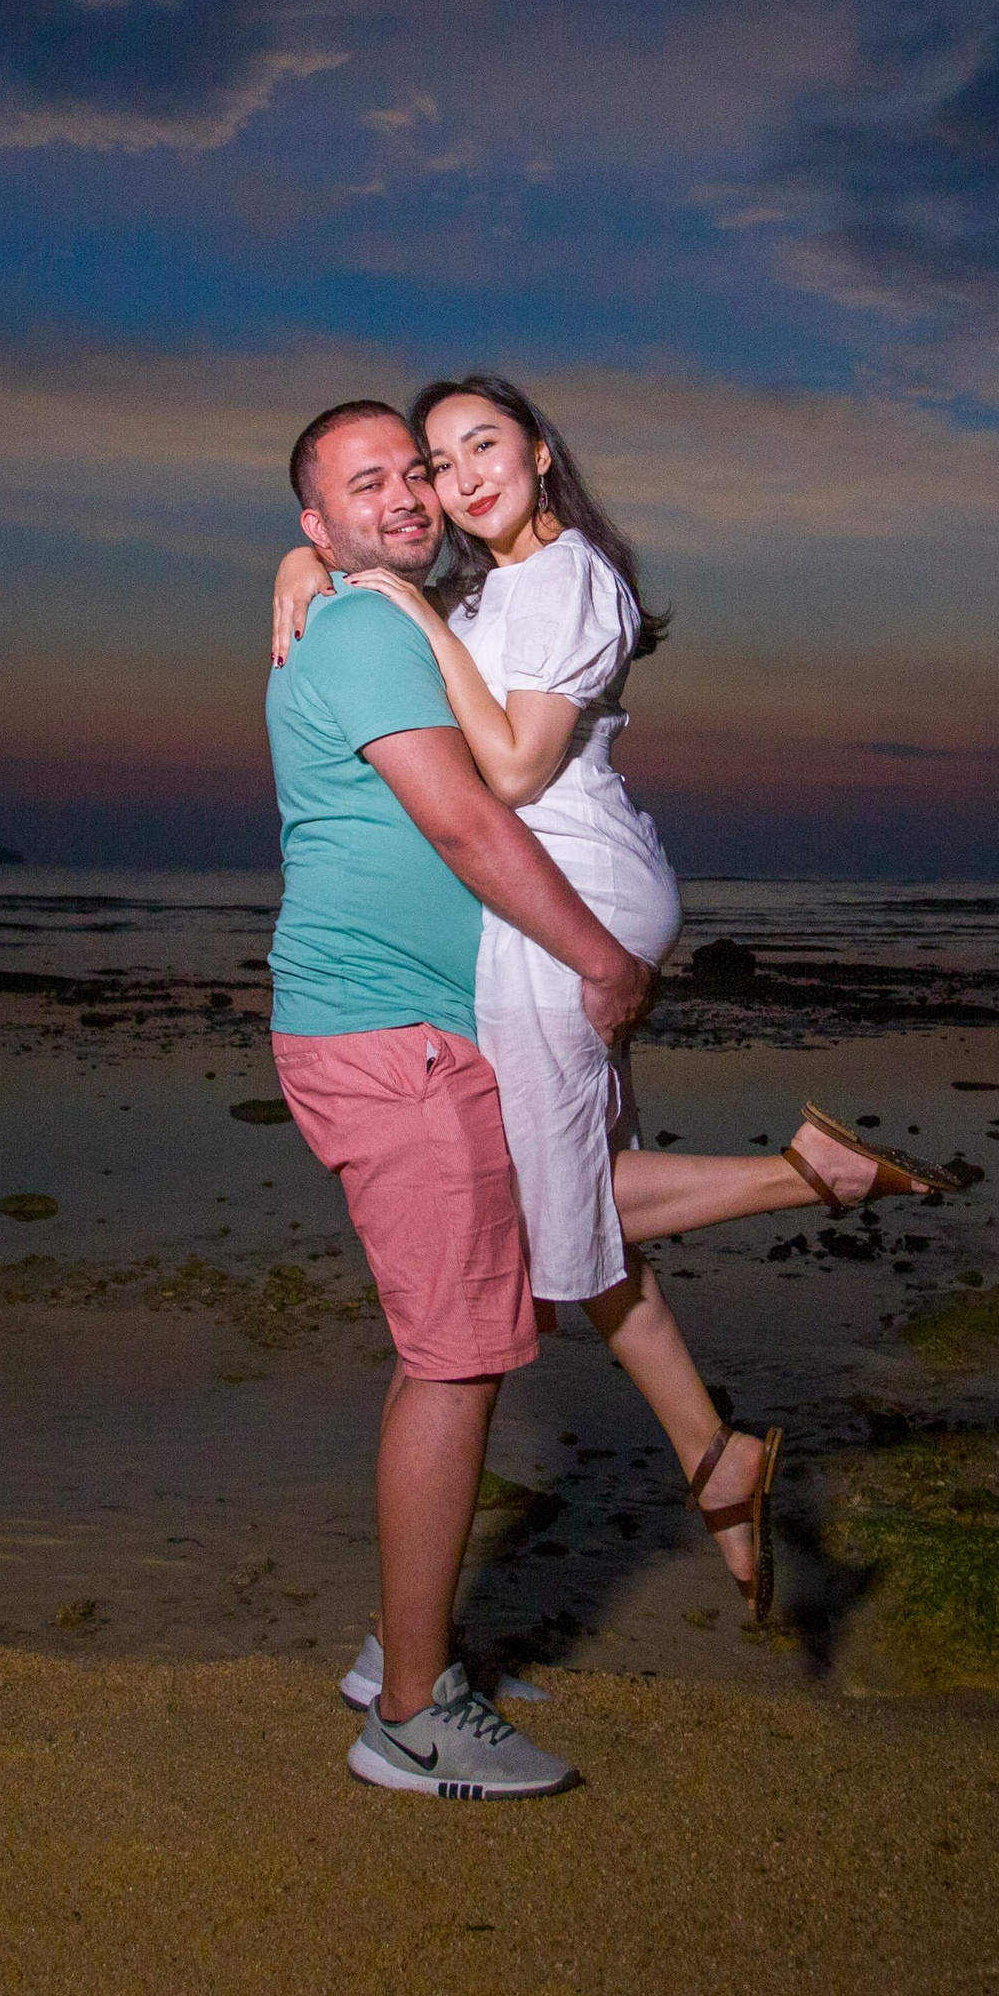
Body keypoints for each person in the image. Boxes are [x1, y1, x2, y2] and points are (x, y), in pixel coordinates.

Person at [272, 374, 955, 1641]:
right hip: (559, 891)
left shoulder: (569, 578)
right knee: (571, 1199)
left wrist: (393, 608)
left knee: (549, 1205)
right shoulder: (482, 586)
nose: (455, 479)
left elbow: (510, 768)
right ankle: (714, 1456)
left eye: (481, 446)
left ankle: (804, 1177)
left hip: (569, 891)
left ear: (541, 450)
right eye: (433, 464)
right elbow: (371, 567)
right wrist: (305, 568)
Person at [267, 397, 656, 1801]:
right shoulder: (367, 629)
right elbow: (465, 817)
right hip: (391, 1040)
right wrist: (601, 958)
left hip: (403, 1034)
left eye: (413, 471)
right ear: (319, 521)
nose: (406, 495)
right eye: (365, 483)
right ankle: (413, 1719)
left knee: (450, 1343)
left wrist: (311, 566)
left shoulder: (379, 613)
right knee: (453, 1360)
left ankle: (406, 1648)